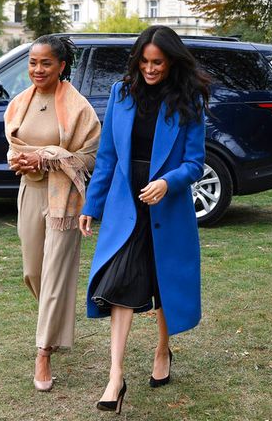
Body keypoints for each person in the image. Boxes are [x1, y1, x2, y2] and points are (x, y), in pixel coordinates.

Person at [78, 25, 209, 414]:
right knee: (119, 281)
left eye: (158, 63)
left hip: (166, 205)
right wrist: (91, 205)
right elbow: (107, 156)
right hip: (126, 203)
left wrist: (168, 183)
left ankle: (163, 349)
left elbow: (195, 163)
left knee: (164, 280)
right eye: (145, 61)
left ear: (171, 62)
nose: (150, 69)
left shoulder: (189, 101)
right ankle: (115, 376)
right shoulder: (121, 93)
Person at [4, 35, 101, 391]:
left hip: (66, 199)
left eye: (45, 63)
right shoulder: (19, 104)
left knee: (57, 273)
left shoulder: (79, 108)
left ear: (61, 66)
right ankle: (54, 322)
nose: (37, 69)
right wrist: (24, 161)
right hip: (30, 191)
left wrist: (46, 156)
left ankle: (43, 352)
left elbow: (90, 156)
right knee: (33, 271)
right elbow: (14, 148)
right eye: (32, 62)